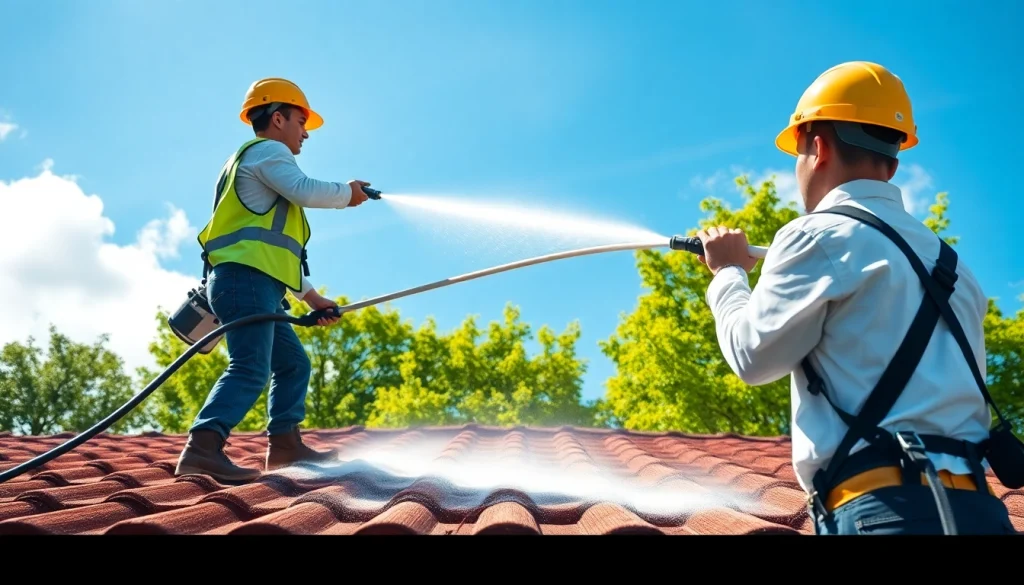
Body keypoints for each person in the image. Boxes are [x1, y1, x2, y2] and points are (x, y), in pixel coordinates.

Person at [694, 61, 1017, 534]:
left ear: (817, 147)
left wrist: (726, 274)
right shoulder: (954, 268)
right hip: (982, 512)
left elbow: (751, 356)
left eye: (797, 155)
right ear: (893, 160)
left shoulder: (815, 235)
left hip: (884, 512)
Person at [174, 77, 372, 483]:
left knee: (293, 364)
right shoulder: (267, 152)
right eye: (302, 122)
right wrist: (346, 193)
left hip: (257, 285)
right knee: (250, 366)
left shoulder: (262, 165)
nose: (305, 133)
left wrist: (312, 299)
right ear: (277, 117)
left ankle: (284, 447)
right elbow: (303, 190)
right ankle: (202, 450)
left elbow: (276, 252)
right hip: (244, 282)